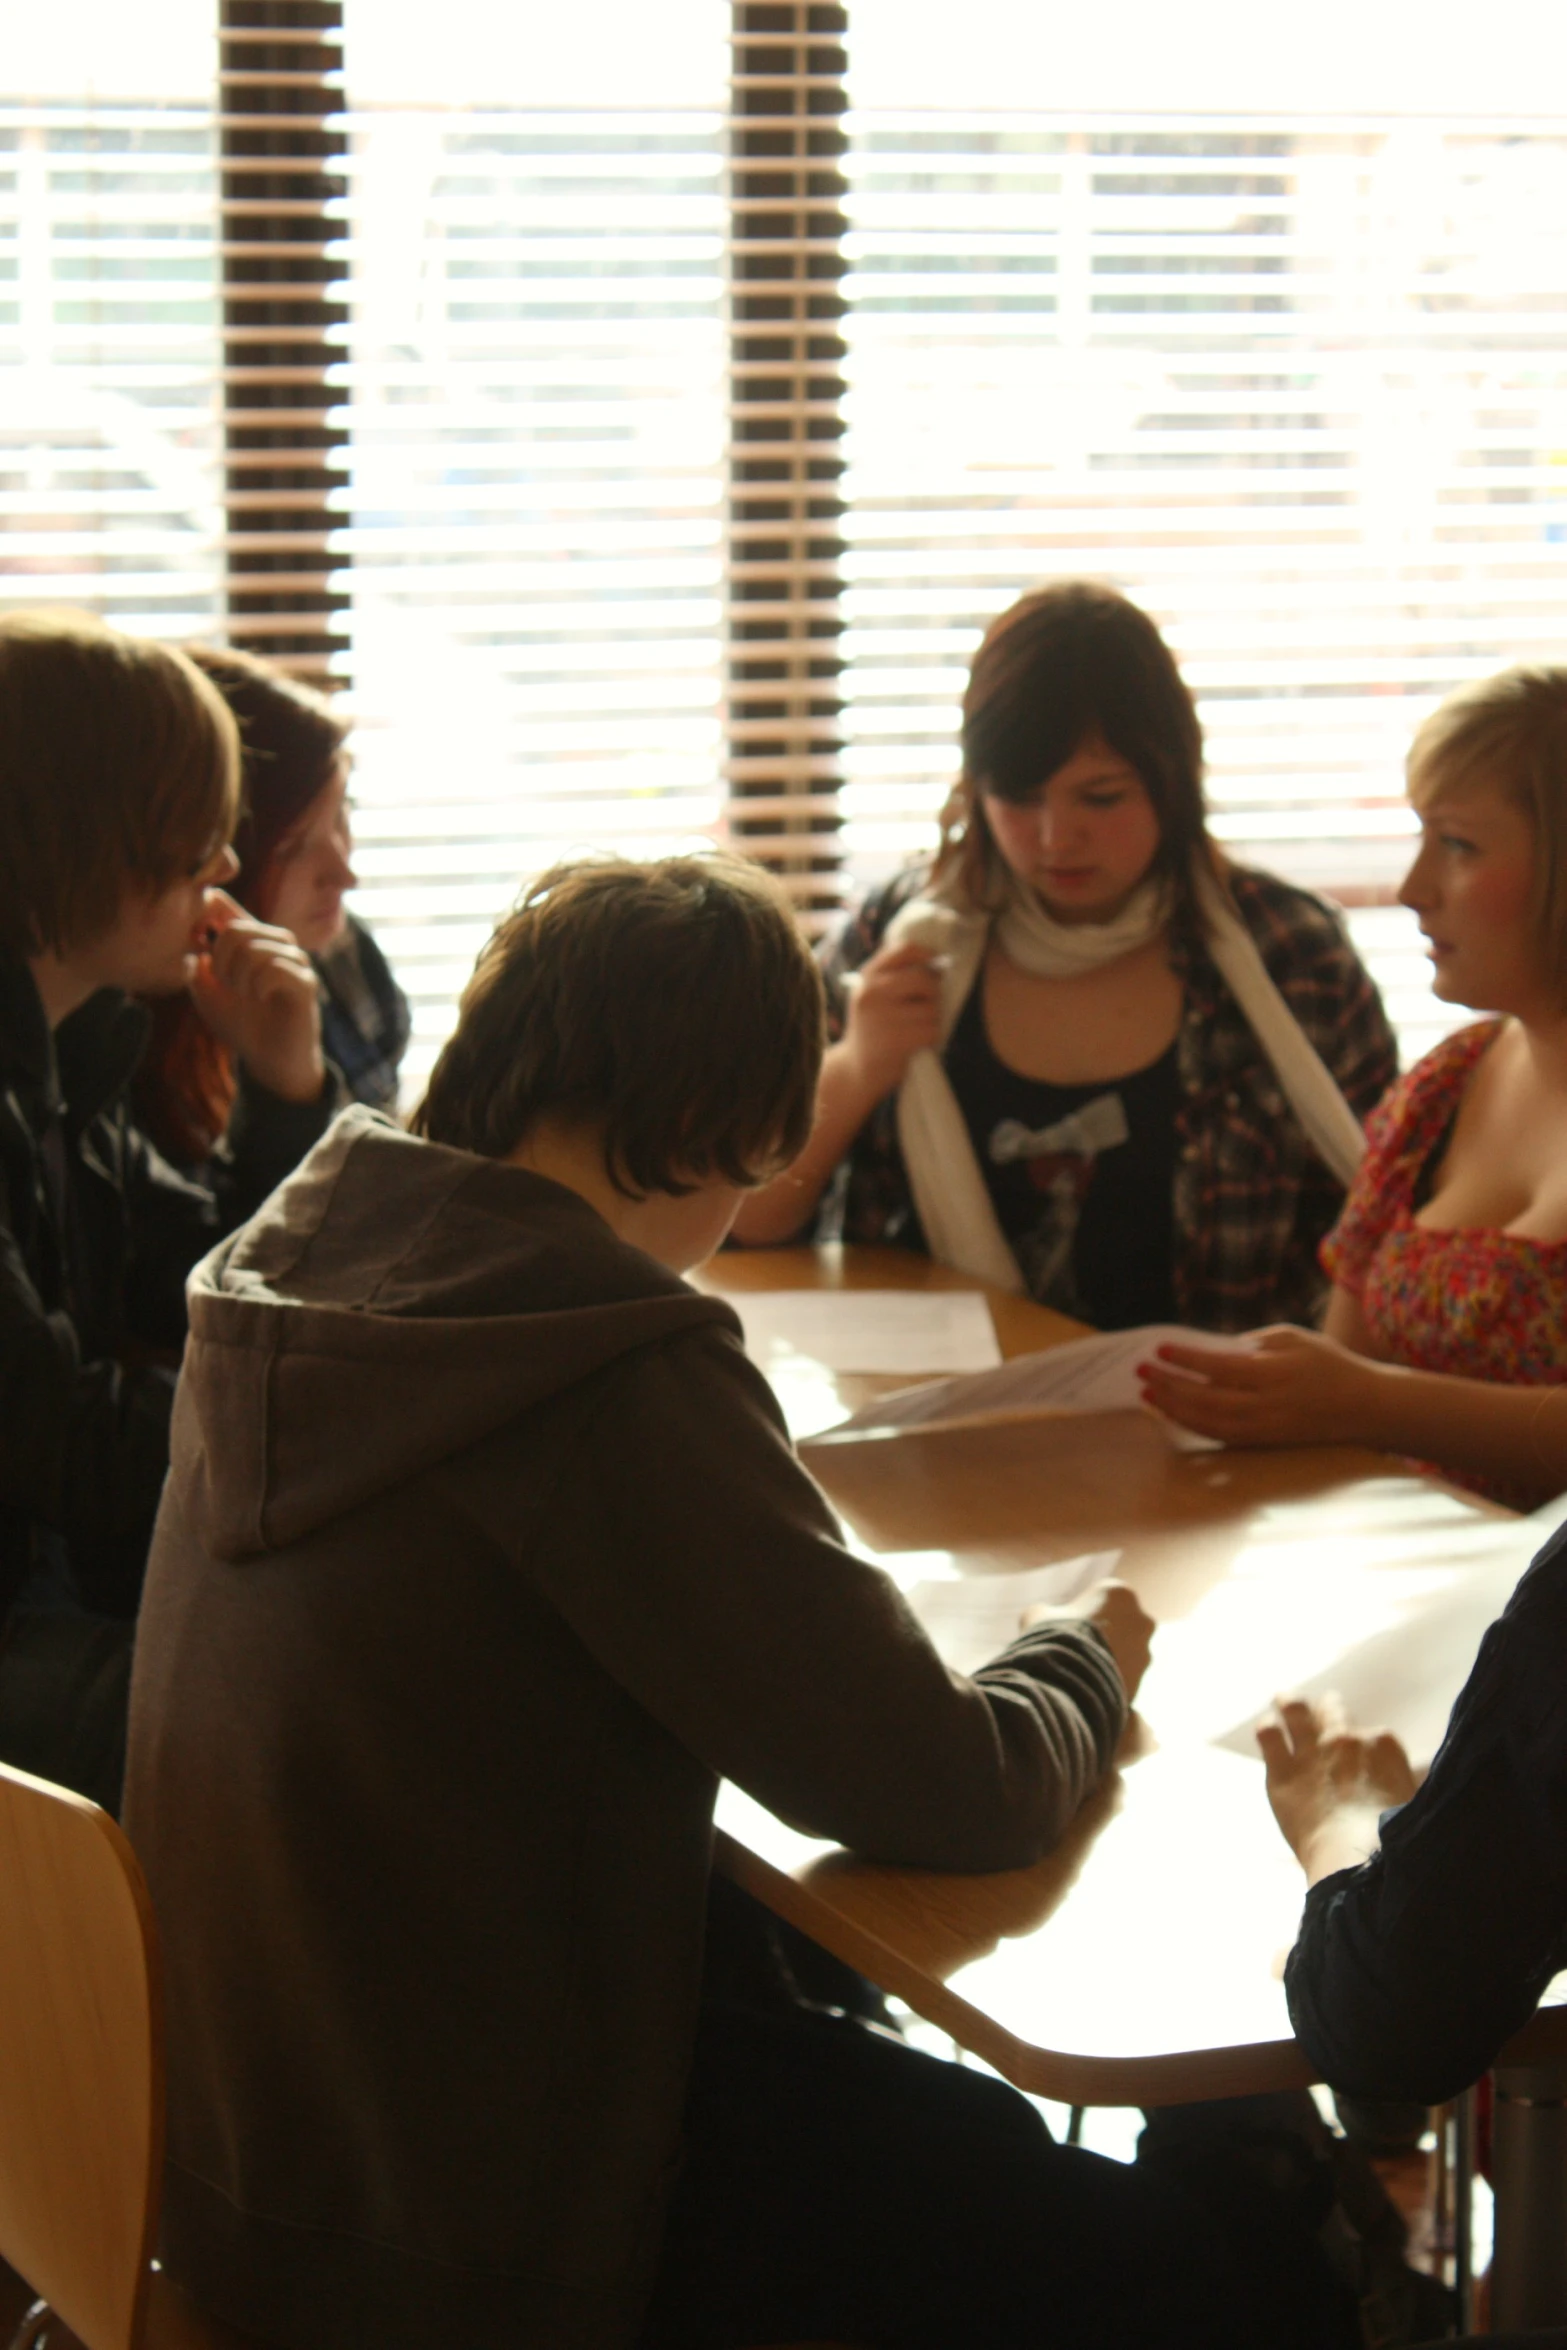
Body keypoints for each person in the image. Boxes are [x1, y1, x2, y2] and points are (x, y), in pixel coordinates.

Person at [125, 854, 1359, 2350]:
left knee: (905, 2097)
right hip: (497, 2223)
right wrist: (1086, 1651)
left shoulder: (283, 1278)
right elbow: (950, 1785)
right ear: (726, 1126)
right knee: (1194, 2255)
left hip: (252, 2169)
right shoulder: (596, 1360)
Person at [732, 580, 1397, 1336]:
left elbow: (1383, 1236)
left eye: (1101, 798)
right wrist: (857, 1066)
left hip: (1218, 1433)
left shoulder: (1288, 954)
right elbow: (747, 1216)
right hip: (941, 1429)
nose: (1056, 839)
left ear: (1171, 783)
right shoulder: (900, 935)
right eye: (1019, 796)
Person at [0, 608, 339, 1812]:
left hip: (48, 1589)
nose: (228, 866)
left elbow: (185, 1288)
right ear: (97, 834)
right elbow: (67, 1446)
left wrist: (288, 1097)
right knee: (356, 1714)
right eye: (197, 827)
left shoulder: (72, 1052)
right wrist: (329, 1412)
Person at [1139, 666, 1567, 1510]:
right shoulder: (1442, 1089)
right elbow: (1334, 1384)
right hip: (1411, 1581)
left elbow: (1351, 1394)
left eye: (1457, 845)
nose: (1411, 890)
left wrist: (1370, 1401)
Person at [134, 644, 410, 1166]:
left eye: (341, 818)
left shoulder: (347, 960)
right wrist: (289, 1094)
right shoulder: (131, 1051)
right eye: (294, 848)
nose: (345, 875)